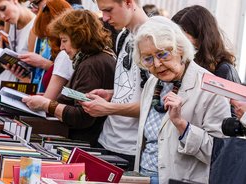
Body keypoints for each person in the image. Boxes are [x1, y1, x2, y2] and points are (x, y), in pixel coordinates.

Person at [132, 16, 231, 184]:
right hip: (142, 176)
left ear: (180, 49)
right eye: (148, 58)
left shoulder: (211, 88)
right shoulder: (152, 82)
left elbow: (219, 152)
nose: (156, 64)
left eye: (163, 54)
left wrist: (181, 125)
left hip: (178, 179)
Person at [22, 9, 116, 146]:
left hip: (85, 143)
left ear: (79, 37)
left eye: (64, 41)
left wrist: (46, 104)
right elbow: (77, 98)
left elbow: (82, 116)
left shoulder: (90, 65)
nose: (61, 47)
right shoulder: (98, 58)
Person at [80, 0, 148, 170]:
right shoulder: (123, 35)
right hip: (108, 139)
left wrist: (109, 108)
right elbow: (135, 86)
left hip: (133, 149)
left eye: (109, 10)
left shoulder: (153, 39)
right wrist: (112, 93)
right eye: (102, 11)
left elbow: (155, 105)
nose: (105, 18)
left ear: (128, 2)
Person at [172, 5, 241, 84]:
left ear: (201, 36)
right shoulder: (183, 64)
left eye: (182, 36)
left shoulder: (223, 71)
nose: (176, 42)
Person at [0, 0, 35, 98]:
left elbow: (35, 75)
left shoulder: (34, 27)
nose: (2, 16)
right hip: (5, 88)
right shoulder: (10, 22)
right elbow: (2, 52)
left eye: (3, 9)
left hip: (22, 92)